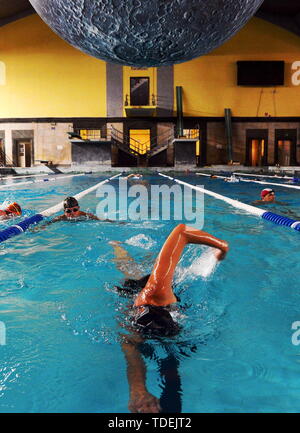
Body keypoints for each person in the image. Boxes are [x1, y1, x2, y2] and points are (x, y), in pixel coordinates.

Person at [110, 223, 229, 413]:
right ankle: (116, 246)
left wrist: (138, 391)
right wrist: (221, 245)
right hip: (143, 298)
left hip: (151, 312)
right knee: (130, 270)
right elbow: (181, 230)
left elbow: (130, 347)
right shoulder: (155, 289)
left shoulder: (161, 297)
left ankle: (120, 248)